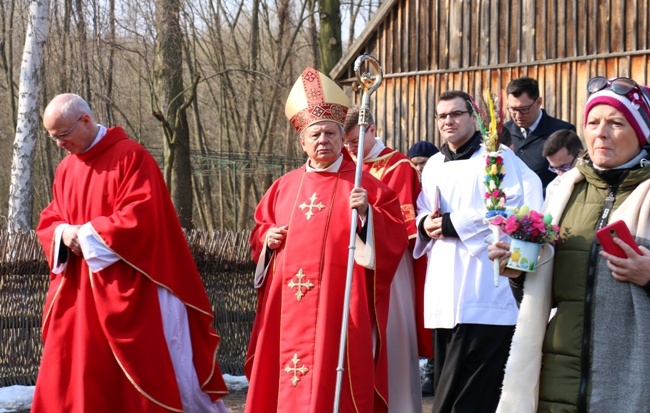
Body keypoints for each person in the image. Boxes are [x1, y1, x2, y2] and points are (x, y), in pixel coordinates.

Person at [35, 94, 229, 412]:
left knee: (145, 376)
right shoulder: (66, 170)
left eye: (62, 135)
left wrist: (85, 234)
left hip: (131, 288)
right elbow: (51, 217)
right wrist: (62, 232)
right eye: (52, 137)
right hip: (80, 292)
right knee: (79, 374)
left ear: (85, 120)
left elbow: (141, 217)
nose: (58, 144)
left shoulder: (131, 157)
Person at [245, 68, 408, 413]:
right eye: (315, 134)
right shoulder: (283, 187)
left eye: (331, 133)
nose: (324, 140)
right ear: (302, 141)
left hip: (339, 306)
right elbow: (260, 230)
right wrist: (267, 238)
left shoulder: (368, 186)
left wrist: (367, 216)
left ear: (342, 137)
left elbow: (395, 239)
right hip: (285, 308)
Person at [490, 76, 650, 413]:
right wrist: (518, 272)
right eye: (593, 122)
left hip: (630, 382)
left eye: (616, 123)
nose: (600, 132)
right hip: (558, 378)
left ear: (642, 133)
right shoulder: (562, 193)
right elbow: (538, 298)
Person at [414, 90, 543, 413]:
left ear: (473, 117)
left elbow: (515, 206)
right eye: (442, 116)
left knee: (470, 393)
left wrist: (452, 224)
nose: (448, 121)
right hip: (445, 286)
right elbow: (422, 209)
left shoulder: (497, 158)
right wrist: (423, 225)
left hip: (484, 284)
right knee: (447, 377)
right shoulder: (433, 166)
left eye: (456, 114)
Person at [343, 106, 433, 411]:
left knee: (390, 339)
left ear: (372, 130)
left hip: (391, 267)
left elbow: (401, 227)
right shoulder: (344, 166)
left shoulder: (398, 166)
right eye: (346, 143)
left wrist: (370, 215)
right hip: (350, 267)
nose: (349, 148)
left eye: (354, 141)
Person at [504, 76, 576, 189]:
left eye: (524, 109)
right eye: (513, 109)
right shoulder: (503, 132)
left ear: (538, 102)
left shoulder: (562, 131)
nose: (517, 116)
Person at [542, 129, 584, 200]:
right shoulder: (552, 188)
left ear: (581, 155)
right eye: (554, 168)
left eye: (564, 167)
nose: (560, 174)